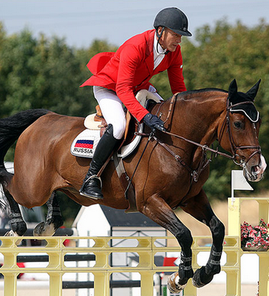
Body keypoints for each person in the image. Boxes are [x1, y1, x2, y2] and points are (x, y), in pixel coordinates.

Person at [79, 7, 191, 199]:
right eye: (176, 34)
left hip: (138, 87)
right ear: (160, 31)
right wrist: (145, 116)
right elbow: (123, 89)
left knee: (165, 112)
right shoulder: (136, 46)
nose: (179, 40)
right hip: (110, 88)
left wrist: (188, 115)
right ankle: (91, 177)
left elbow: (178, 88)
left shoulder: (174, 52)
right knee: (119, 127)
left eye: (181, 35)